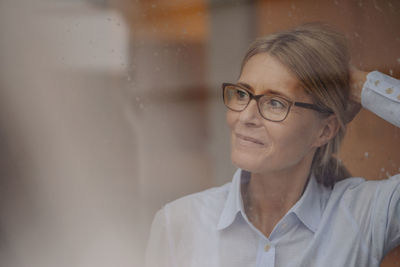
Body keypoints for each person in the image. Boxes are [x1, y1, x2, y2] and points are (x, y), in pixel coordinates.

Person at [145, 23, 400, 267]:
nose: (245, 117)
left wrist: (357, 84)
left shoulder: (365, 215)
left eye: (275, 103)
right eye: (242, 94)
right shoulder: (179, 222)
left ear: (324, 130)